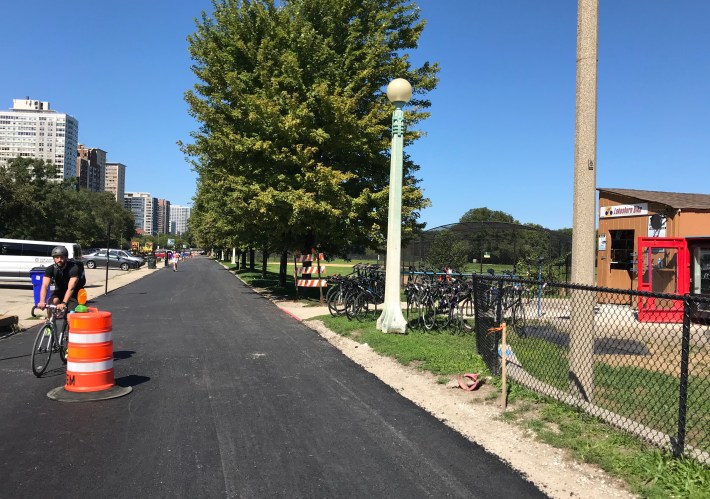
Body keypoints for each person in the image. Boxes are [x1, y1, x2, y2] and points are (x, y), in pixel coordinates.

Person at [38, 246, 81, 313]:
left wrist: (64, 303)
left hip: (73, 294)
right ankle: (50, 322)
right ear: (54, 259)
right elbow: (45, 286)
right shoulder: (50, 269)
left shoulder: (74, 268)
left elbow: (71, 288)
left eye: (61, 257)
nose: (59, 260)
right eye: (57, 257)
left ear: (66, 257)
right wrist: (42, 301)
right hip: (58, 292)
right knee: (51, 303)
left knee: (70, 316)